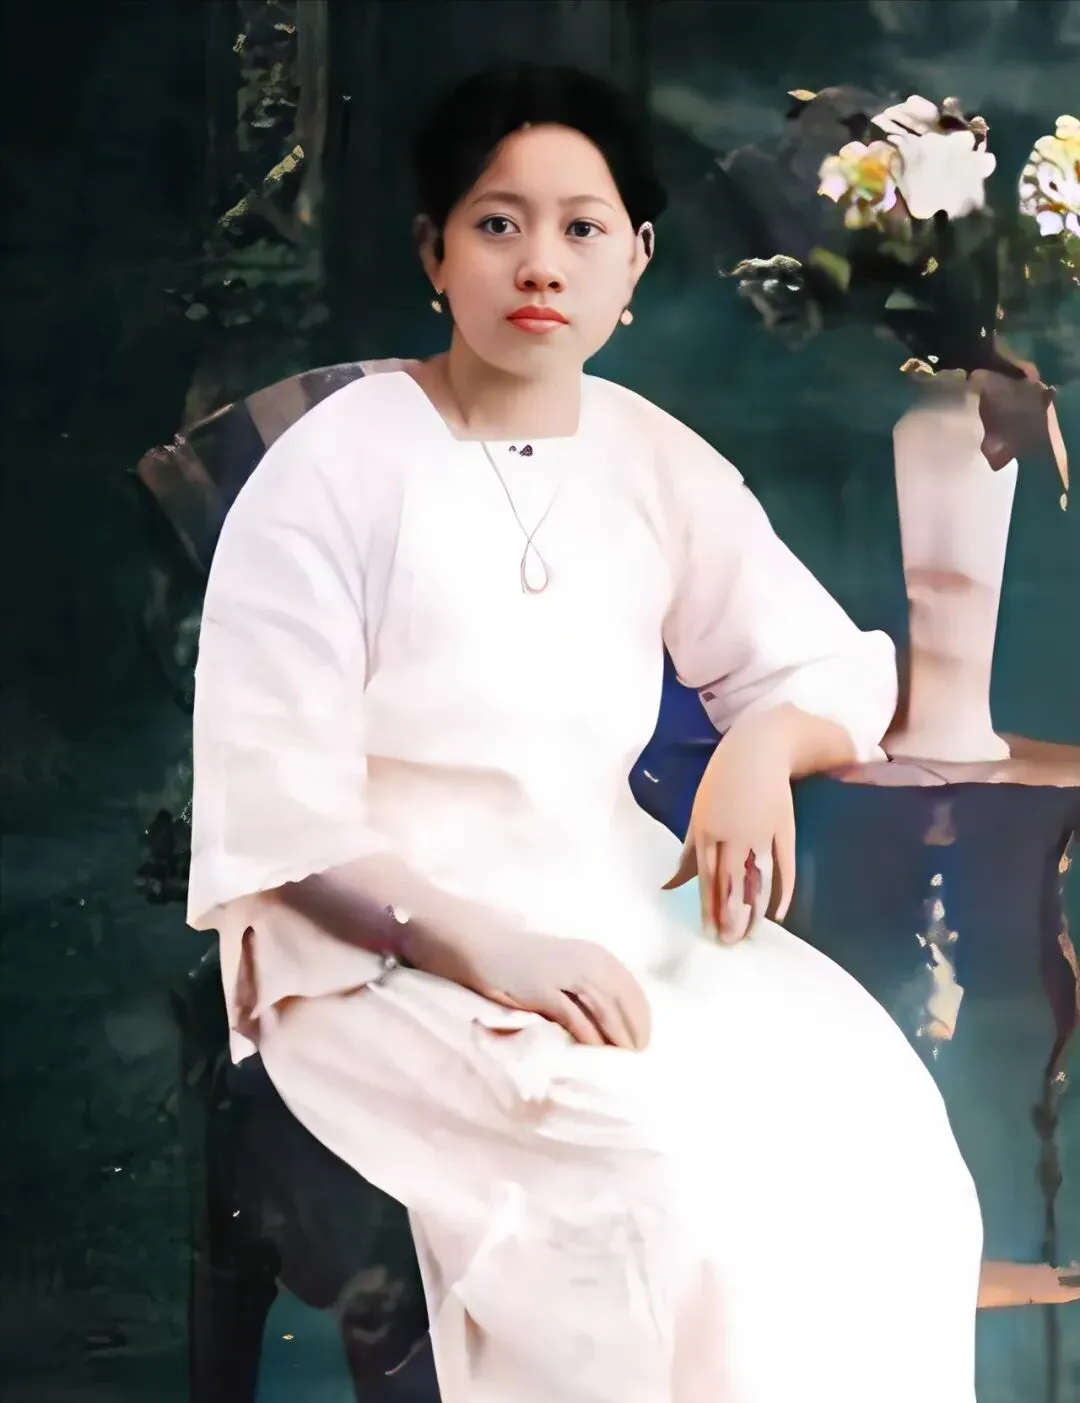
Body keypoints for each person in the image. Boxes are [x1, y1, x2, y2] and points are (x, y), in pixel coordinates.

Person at [188, 63, 982, 1403]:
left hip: (614, 911)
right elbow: (280, 813)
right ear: (435, 252)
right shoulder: (333, 467)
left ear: (635, 260)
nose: (540, 262)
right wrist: (486, 949)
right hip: (375, 957)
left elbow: (821, 661)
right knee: (656, 1178)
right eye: (497, 223)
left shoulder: (647, 452)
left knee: (884, 1139)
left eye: (582, 227)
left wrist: (758, 749)